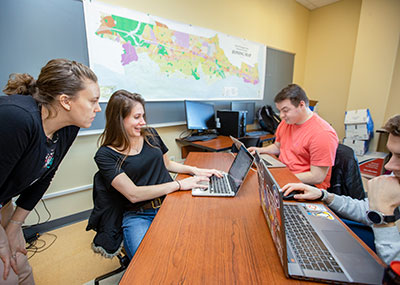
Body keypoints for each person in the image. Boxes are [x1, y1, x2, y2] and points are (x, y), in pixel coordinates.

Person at [0, 58, 101, 284]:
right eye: (93, 101)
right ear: (65, 101)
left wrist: (15, 225)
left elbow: (46, 174)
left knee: (20, 263)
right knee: (5, 272)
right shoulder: (17, 118)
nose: (98, 108)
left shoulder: (68, 127)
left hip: (3, 201)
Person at [91, 90, 222, 260]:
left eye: (143, 116)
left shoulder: (151, 135)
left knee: (195, 244)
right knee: (145, 260)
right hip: (138, 214)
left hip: (170, 203)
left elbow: (167, 164)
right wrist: (180, 185)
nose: (143, 122)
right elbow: (133, 194)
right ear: (119, 119)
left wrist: (195, 170)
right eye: (137, 117)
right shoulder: (106, 155)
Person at [282, 114, 400, 265]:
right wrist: (324, 196)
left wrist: (384, 217)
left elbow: (394, 273)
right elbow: (365, 209)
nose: (389, 166)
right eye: (391, 154)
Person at [249, 84, 338, 189]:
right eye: (280, 110)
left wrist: (280, 177)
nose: (281, 115)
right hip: (284, 173)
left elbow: (317, 177)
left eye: (285, 110)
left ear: (301, 105)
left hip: (306, 186)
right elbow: (278, 147)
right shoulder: (287, 122)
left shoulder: (323, 133)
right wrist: (259, 150)